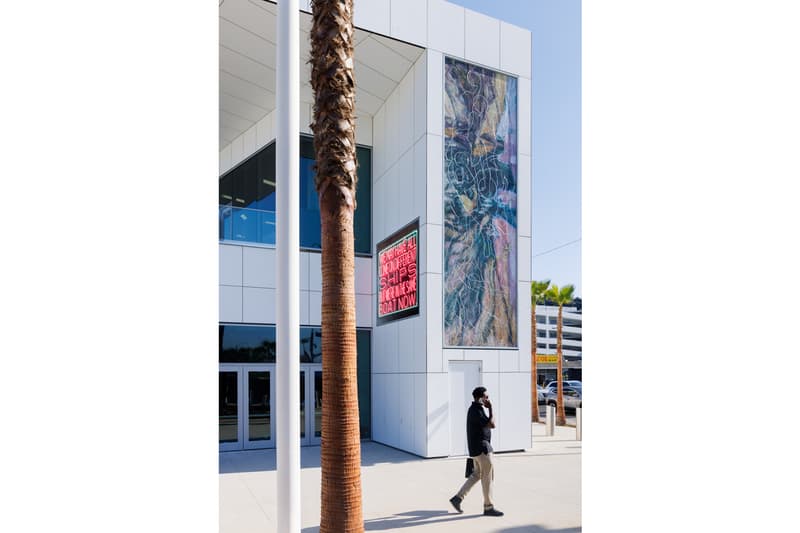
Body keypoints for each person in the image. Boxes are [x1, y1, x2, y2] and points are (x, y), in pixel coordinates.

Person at [449, 386, 504, 517]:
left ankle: (458, 498)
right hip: (483, 450)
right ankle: (488, 507)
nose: (488, 399)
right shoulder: (477, 411)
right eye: (486, 397)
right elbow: (492, 425)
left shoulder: (474, 409)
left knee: (476, 475)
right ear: (480, 398)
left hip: (476, 450)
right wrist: (490, 408)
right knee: (487, 478)